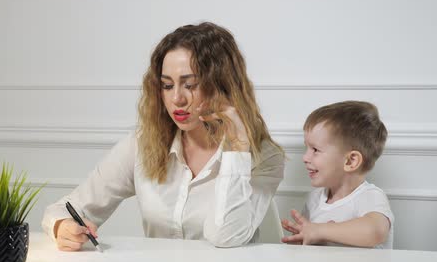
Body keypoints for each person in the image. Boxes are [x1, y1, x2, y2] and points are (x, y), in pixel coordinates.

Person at [42, 22, 285, 250]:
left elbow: (226, 237)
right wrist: (61, 226)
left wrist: (237, 147)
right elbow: (62, 209)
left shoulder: (264, 157)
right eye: (167, 86)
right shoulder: (142, 144)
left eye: (190, 85)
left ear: (221, 85)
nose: (177, 99)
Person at [281, 101, 394, 248]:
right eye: (306, 148)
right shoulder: (314, 199)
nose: (305, 157)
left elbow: (375, 231)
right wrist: (301, 240)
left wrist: (319, 230)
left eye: (315, 150)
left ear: (351, 161)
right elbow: (310, 240)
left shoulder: (369, 196)